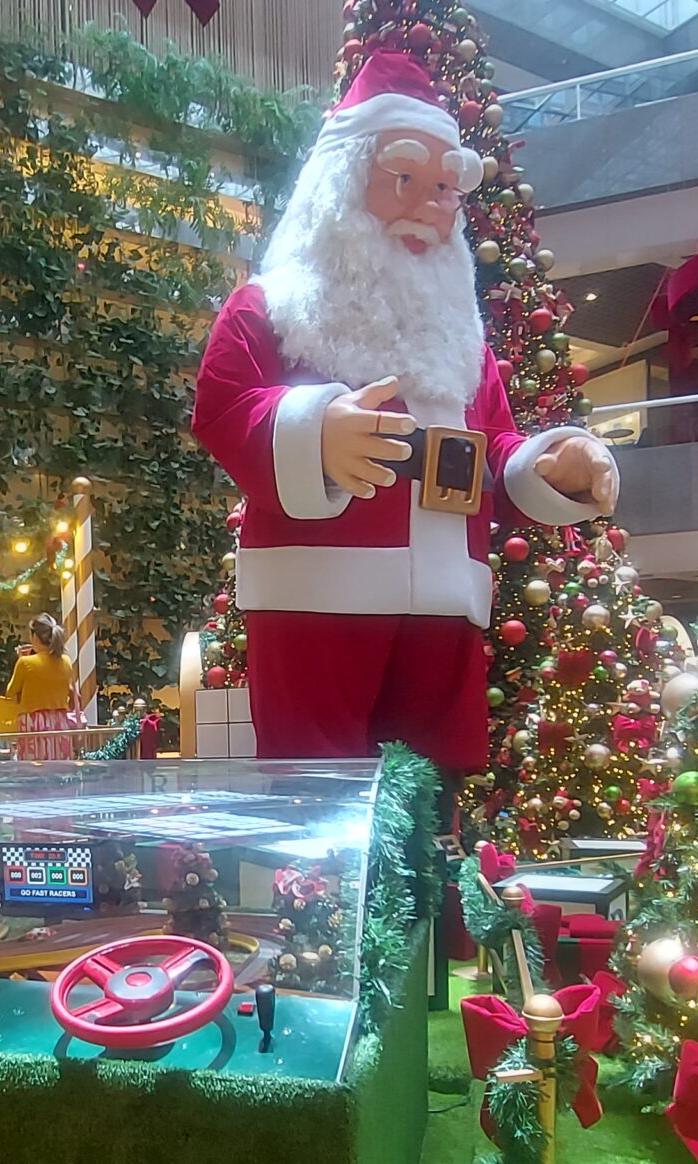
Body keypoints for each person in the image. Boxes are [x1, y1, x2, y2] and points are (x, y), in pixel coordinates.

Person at [189, 49, 616, 773]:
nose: (433, 204)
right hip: (315, 601)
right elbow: (222, 406)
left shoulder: (461, 333)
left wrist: (547, 464)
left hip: (445, 602)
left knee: (434, 797)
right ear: (344, 183)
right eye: (408, 179)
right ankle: (321, 894)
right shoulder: (272, 303)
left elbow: (496, 445)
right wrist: (315, 430)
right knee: (318, 794)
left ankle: (430, 892)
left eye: (448, 187)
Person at [1, 613, 79, 761]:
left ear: (35, 637)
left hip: (33, 722)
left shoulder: (25, 662)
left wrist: (21, 659)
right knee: (59, 765)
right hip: (59, 721)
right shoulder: (66, 660)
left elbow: (10, 692)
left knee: (33, 768)